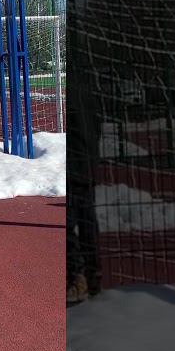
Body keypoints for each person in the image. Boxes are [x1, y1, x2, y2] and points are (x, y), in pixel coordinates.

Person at [67, 68, 103, 304]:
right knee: (88, 224)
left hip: (74, 166)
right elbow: (96, 127)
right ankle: (93, 277)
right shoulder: (87, 92)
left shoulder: (74, 95)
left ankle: (76, 277)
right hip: (87, 164)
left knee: (70, 226)